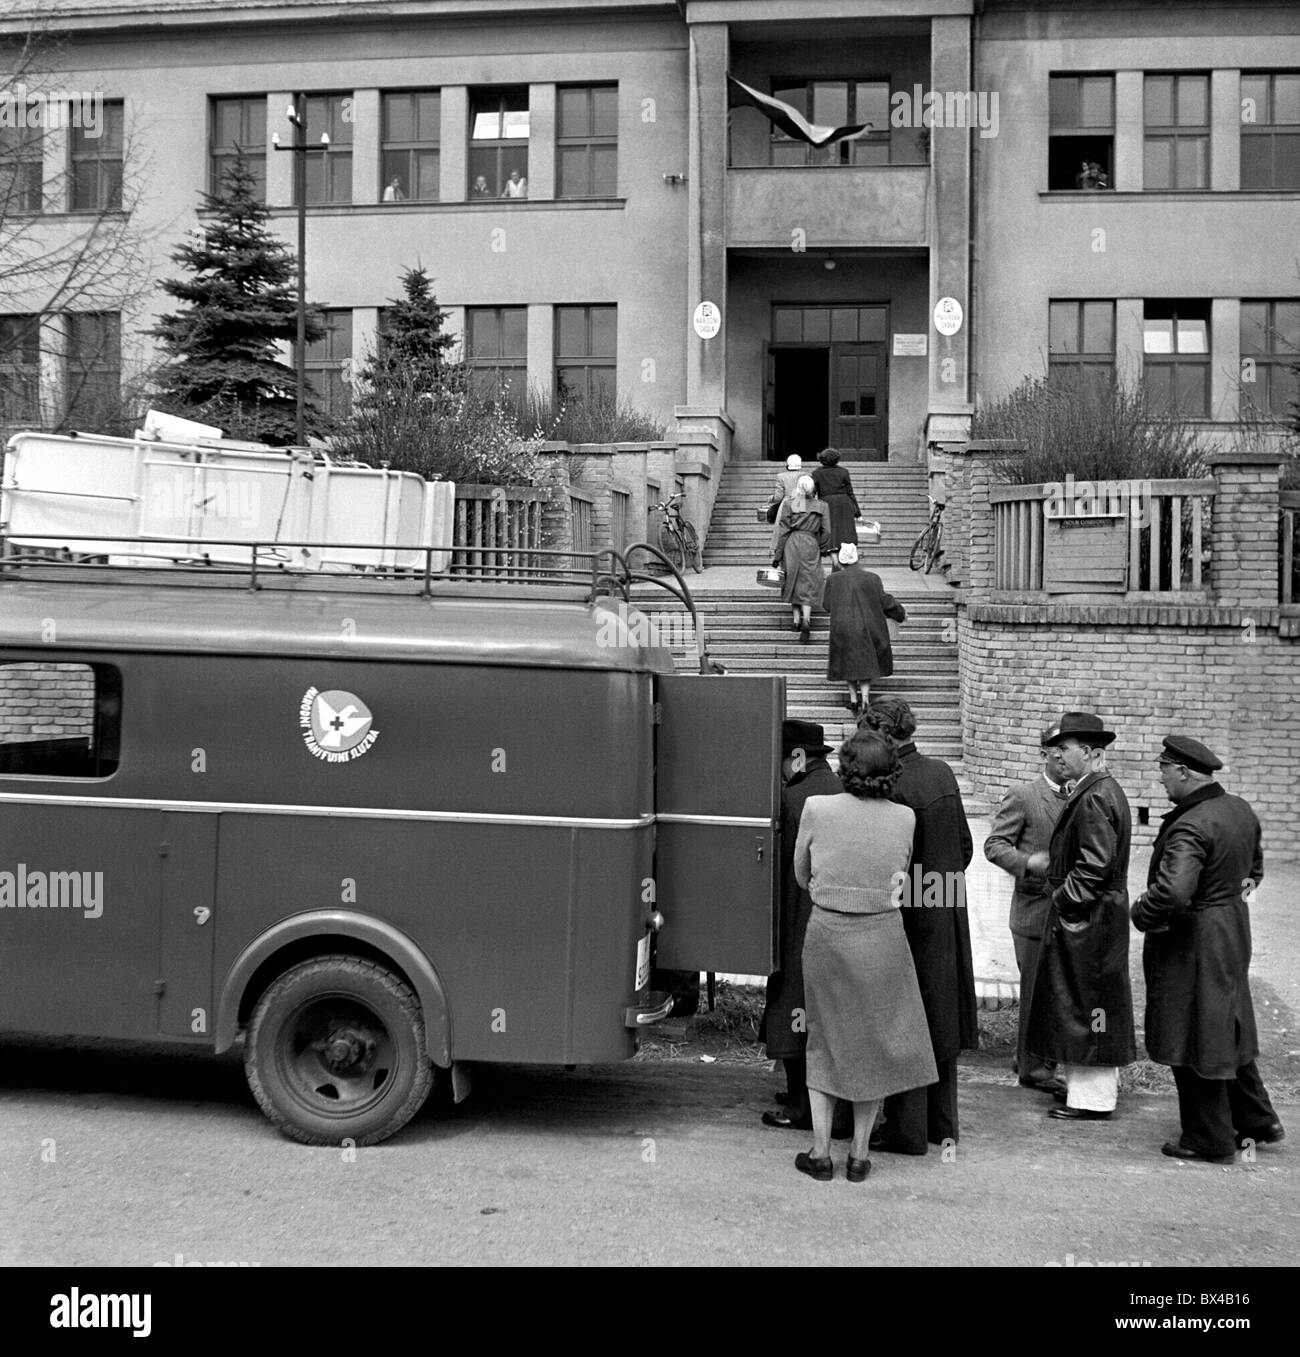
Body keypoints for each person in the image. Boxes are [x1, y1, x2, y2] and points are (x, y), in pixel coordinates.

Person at [791, 727, 938, 1182]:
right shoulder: (905, 817)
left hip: (829, 934)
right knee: (873, 1042)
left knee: (824, 1037)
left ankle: (820, 1154)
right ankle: (858, 1156)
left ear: (846, 767)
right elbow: (903, 873)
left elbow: (801, 873)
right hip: (883, 938)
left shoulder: (818, 808)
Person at [1131, 735, 1285, 1164]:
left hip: (1193, 939)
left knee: (1192, 1030)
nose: (1161, 779)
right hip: (1232, 930)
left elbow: (1174, 893)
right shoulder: (1238, 809)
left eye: (1164, 770)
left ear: (1183, 772)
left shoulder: (1190, 824)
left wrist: (1141, 912)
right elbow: (1253, 872)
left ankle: (1207, 1138)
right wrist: (1226, 902)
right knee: (1226, 1023)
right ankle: (1257, 1120)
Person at [858, 696, 977, 1154]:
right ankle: (941, 1125)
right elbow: (964, 847)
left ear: (883, 735)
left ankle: (907, 1130)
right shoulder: (942, 773)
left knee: (905, 1017)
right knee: (940, 1015)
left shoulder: (892, 785)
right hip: (946, 906)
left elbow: (889, 859)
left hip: (909, 916)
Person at [1025, 712, 1136, 1121]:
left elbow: (1094, 866)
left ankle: (1093, 1100)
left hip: (1090, 920)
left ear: (1090, 753)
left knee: (1088, 1005)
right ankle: (1085, 1093)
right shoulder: (1097, 790)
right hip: (1093, 917)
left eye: (1063, 749)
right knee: (1085, 1004)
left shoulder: (1094, 795)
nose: (1056, 755)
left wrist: (1062, 900)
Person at [760, 720, 844, 1133]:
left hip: (800, 915)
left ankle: (801, 1105)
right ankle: (814, 1098)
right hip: (834, 916)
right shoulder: (840, 789)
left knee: (794, 1005)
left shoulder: (795, 799)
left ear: (796, 758)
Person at [983, 723, 1069, 1095]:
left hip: (1067, 913)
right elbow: (994, 845)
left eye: (1069, 749)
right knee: (1036, 993)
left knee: (1055, 991)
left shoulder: (1081, 795)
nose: (1063, 757)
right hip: (1034, 912)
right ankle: (1034, 1069)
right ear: (1043, 755)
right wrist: (1027, 862)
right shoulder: (1023, 795)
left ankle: (1034, 1057)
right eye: (1056, 751)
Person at [821, 542, 906, 714]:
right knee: (865, 664)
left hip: (842, 627)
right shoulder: (872, 578)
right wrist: (900, 613)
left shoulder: (832, 580)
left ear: (841, 561)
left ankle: (853, 700)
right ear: (857, 559)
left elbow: (827, 605)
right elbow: (885, 601)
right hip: (867, 627)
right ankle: (866, 700)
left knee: (848, 662)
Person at [772, 475, 831, 643]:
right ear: (812, 488)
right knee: (808, 580)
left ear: (798, 488)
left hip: (792, 543)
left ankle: (796, 620)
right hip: (811, 543)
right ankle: (807, 619)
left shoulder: (791, 504)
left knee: (793, 579)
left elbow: (783, 531)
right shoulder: (822, 506)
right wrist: (822, 547)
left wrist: (777, 555)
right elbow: (827, 530)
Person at [810, 447, 861, 554]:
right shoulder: (844, 472)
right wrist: (857, 512)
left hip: (827, 504)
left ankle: (835, 564)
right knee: (846, 535)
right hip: (844, 504)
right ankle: (844, 563)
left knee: (831, 537)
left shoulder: (816, 473)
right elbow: (850, 492)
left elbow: (812, 492)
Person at [767, 454, 804, 559]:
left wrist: (770, 498)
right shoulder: (805, 475)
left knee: (782, 527)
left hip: (786, 502)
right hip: (800, 501)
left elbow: (778, 497)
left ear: (787, 465)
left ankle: (777, 550)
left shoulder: (781, 476)